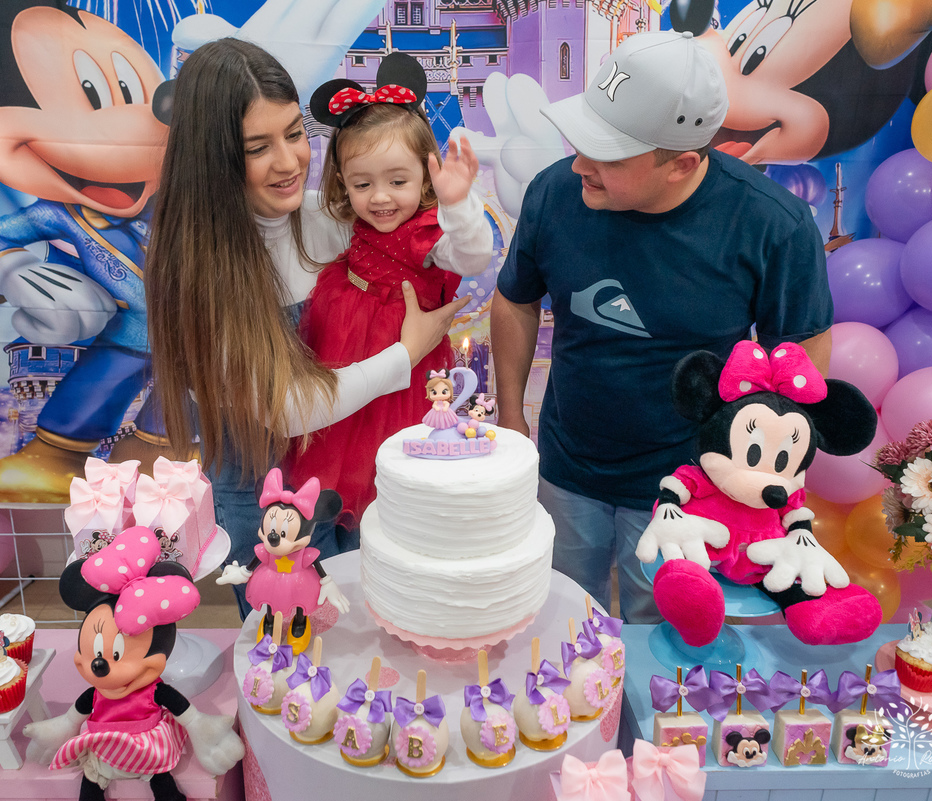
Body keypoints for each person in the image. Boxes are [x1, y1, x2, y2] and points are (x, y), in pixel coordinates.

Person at [490, 31, 833, 621]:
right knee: (560, 624)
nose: (580, 165)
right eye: (583, 142)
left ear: (681, 164)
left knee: (667, 642)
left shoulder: (769, 224)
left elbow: (800, 358)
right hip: (569, 466)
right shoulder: (555, 192)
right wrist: (512, 412)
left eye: (608, 155)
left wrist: (755, 478)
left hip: (696, 486)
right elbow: (514, 301)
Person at [145, 40, 467, 617]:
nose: (290, 161)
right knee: (290, 651)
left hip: (350, 472)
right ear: (213, 157)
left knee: (373, 626)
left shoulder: (328, 217)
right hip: (265, 496)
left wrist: (458, 217)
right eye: (257, 147)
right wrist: (406, 352)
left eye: (295, 133)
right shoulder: (198, 270)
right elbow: (286, 411)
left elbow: (439, 251)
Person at [284, 53, 493, 527]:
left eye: (397, 181)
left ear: (426, 173)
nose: (379, 197)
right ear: (342, 180)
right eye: (362, 183)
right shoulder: (352, 219)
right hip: (340, 329)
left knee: (384, 443)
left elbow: (473, 258)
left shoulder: (426, 230)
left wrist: (458, 205)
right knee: (335, 428)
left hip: (400, 345)